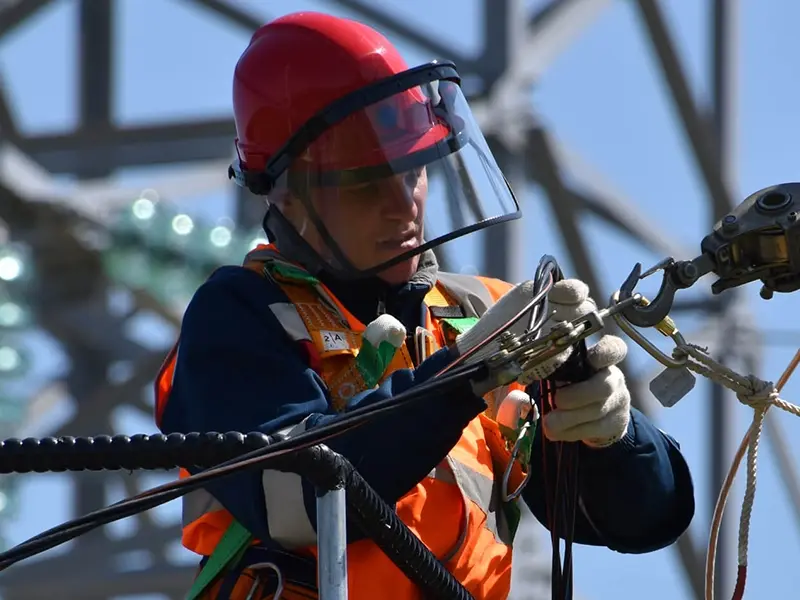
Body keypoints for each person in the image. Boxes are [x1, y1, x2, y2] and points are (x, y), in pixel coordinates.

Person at [154, 11, 695, 600]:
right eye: (367, 183)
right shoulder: (241, 314)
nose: (403, 206)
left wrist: (613, 434)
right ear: (289, 195)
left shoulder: (477, 312)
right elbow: (292, 497)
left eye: (412, 171)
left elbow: (637, 521)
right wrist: (463, 375)